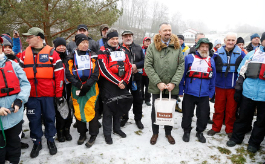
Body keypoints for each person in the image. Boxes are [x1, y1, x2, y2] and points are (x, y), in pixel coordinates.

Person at [21, 27, 64, 158]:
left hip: (48, 94)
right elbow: (19, 76)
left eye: (30, 37)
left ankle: (50, 140)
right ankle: (37, 142)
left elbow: (60, 76)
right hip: (31, 95)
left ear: (38, 37)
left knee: (50, 118)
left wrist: (58, 94)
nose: (27, 39)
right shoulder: (24, 54)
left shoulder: (52, 53)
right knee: (34, 120)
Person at [144, 22, 184, 145]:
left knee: (170, 109)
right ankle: (155, 132)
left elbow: (181, 66)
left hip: (171, 87)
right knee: (156, 110)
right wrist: (158, 82)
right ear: (160, 32)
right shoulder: (152, 47)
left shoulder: (177, 47)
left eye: (169, 30)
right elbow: (148, 66)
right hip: (157, 87)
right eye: (165, 30)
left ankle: (168, 133)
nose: (168, 32)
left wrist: (174, 83)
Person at [226, 32, 265, 153]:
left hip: (264, 96)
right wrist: (238, 88)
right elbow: (241, 71)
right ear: (262, 41)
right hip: (248, 92)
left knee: (262, 121)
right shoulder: (252, 55)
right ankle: (237, 138)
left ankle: (254, 143)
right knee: (243, 117)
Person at [207, 32, 246, 139]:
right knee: (218, 108)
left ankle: (230, 129)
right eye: (228, 40)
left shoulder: (241, 53)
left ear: (236, 41)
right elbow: (210, 66)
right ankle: (216, 127)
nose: (230, 42)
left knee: (231, 109)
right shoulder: (217, 53)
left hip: (233, 87)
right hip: (219, 86)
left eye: (233, 40)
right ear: (224, 41)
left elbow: (246, 66)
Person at [97, 28, 133, 144]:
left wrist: (125, 81)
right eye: (112, 38)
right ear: (108, 39)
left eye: (117, 38)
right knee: (108, 109)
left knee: (119, 107)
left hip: (122, 84)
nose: (115, 41)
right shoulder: (103, 51)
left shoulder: (122, 50)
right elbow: (104, 70)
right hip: (109, 84)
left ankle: (117, 128)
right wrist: (118, 81)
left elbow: (129, 66)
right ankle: (107, 133)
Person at [0, 36, 31, 164]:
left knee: (14, 145)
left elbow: (25, 84)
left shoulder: (13, 64)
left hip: (15, 115)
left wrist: (19, 100)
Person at [65, 34, 99, 148]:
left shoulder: (93, 55)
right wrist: (79, 85)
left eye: (87, 43)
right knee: (79, 109)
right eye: (82, 42)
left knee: (92, 109)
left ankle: (93, 134)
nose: (85, 45)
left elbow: (96, 73)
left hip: (91, 87)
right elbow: (68, 73)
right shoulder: (71, 56)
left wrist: (87, 85)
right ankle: (82, 133)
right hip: (77, 87)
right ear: (77, 44)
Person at [180, 38, 216, 143]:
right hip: (189, 92)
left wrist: (211, 93)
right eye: (202, 47)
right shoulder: (189, 58)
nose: (205, 49)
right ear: (198, 47)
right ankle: (186, 131)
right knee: (187, 113)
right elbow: (182, 75)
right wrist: (180, 90)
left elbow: (213, 78)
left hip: (204, 94)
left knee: (203, 114)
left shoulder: (211, 60)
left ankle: (200, 131)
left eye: (207, 47)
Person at [120, 30, 145, 129]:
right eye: (126, 36)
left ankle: (138, 119)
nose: (128, 38)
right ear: (122, 38)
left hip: (136, 78)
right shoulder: (118, 49)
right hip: (123, 80)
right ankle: (124, 117)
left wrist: (136, 65)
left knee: (138, 99)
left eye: (130, 36)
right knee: (124, 99)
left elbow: (144, 60)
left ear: (132, 37)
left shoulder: (138, 48)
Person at [53, 37, 73, 143]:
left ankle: (67, 130)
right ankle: (59, 132)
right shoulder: (52, 58)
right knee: (60, 110)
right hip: (58, 88)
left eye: (63, 45)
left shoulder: (69, 57)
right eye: (59, 46)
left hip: (68, 86)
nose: (61, 47)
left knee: (69, 110)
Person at [176, 34, 189, 113]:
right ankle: (175, 104)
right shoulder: (173, 46)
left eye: (181, 39)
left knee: (181, 87)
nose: (180, 40)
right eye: (178, 39)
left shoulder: (187, 48)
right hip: (174, 70)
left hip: (183, 70)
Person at [141, 37, 152, 106]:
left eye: (149, 41)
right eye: (146, 41)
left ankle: (147, 99)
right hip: (141, 72)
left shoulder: (152, 50)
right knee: (141, 87)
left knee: (148, 87)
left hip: (149, 72)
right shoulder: (140, 49)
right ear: (143, 42)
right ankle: (141, 98)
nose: (147, 42)